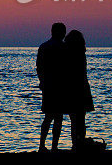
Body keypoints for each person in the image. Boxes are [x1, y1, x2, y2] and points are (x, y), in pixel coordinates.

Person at [36, 23, 67, 152]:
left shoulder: (43, 47)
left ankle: (42, 145)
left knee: (49, 117)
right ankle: (54, 146)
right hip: (59, 86)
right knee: (58, 117)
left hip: (48, 86)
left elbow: (39, 67)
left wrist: (42, 81)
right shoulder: (64, 48)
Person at [64, 29, 94, 149]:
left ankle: (75, 143)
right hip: (82, 87)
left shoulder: (66, 54)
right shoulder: (82, 54)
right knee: (81, 119)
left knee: (73, 119)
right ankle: (80, 141)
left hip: (71, 88)